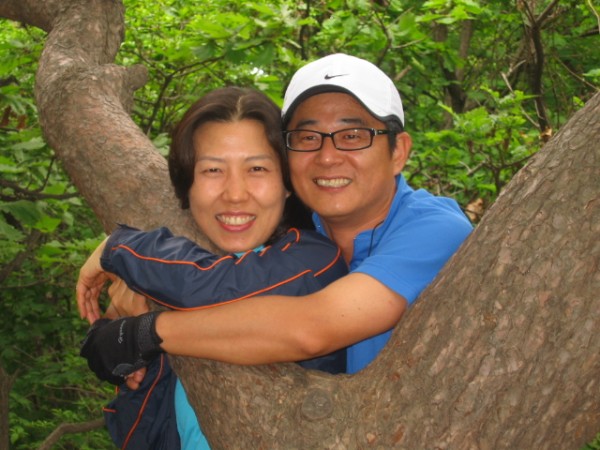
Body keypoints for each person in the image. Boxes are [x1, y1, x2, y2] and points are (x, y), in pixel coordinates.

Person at [78, 53, 472, 386]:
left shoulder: (436, 229)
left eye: (353, 135)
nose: (328, 156)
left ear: (398, 151)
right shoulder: (290, 232)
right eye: (307, 137)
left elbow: (312, 328)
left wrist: (145, 331)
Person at [80, 86, 348, 449]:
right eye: (212, 170)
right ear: (186, 185)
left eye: (257, 168)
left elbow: (220, 287)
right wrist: (125, 355)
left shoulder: (315, 261)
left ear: (287, 183)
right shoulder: (165, 277)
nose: (235, 193)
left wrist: (120, 247)